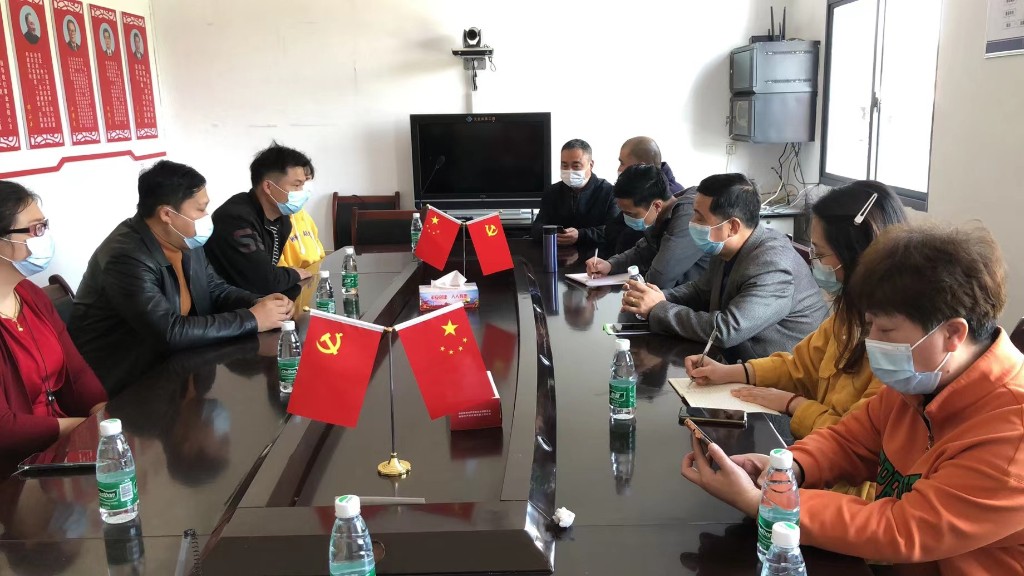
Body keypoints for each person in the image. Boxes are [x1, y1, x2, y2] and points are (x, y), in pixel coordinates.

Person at [680, 223, 1024, 573]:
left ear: (952, 333)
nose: (872, 341)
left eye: (886, 330)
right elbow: (849, 441)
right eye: (870, 325)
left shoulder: (1012, 436)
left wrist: (768, 504)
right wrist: (788, 469)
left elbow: (903, 528)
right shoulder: (919, 385)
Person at [684, 181, 907, 498]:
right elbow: (800, 365)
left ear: (856, 254)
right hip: (813, 464)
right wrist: (730, 372)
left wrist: (792, 404)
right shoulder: (849, 312)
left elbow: (858, 441)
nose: (813, 261)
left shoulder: (897, 345)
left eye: (820, 253)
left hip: (854, 493)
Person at [69, 160, 293, 394]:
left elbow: (216, 289)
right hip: (126, 385)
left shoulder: (184, 239)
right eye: (200, 209)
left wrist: (259, 303)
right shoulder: (126, 257)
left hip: (177, 367)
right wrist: (252, 319)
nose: (206, 216)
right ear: (167, 214)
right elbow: (169, 331)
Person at [621, 173, 827, 362]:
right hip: (735, 360)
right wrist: (657, 297)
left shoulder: (773, 265)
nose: (692, 222)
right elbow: (700, 290)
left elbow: (727, 330)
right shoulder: (726, 247)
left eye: (700, 217)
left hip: (779, 374)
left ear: (733, 227)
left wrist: (658, 308)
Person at [0, 181, 107, 476]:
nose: (44, 238)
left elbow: (77, 372)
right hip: (14, 470)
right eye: (35, 230)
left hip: (57, 449)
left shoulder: (31, 295)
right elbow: (3, 428)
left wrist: (102, 414)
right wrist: (77, 427)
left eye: (44, 227)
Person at [205, 143, 315, 300]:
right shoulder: (235, 218)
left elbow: (268, 277)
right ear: (268, 187)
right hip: (226, 305)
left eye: (302, 185)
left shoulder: (282, 220)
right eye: (296, 185)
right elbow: (265, 281)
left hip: (255, 300)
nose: (301, 192)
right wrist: (294, 273)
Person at [586, 164, 707, 289]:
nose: (625, 218)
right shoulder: (663, 215)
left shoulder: (687, 219)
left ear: (656, 206)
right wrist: (610, 265)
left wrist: (639, 289)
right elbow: (643, 252)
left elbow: (661, 276)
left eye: (630, 213)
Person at [604, 136, 687, 255]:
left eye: (622, 163)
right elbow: (613, 230)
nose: (619, 168)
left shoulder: (665, 198)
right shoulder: (631, 191)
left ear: (641, 166)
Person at [530, 139, 616, 250]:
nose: (569, 171)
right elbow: (536, 228)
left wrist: (580, 235)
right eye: (564, 165)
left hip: (597, 255)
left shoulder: (609, 192)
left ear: (591, 165)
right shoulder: (552, 192)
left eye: (576, 166)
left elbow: (614, 231)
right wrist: (553, 234)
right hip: (558, 254)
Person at [277, 169, 326, 269]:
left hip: (316, 273)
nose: (302, 189)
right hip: (294, 277)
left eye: (307, 181)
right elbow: (279, 268)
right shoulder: (275, 222)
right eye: (297, 184)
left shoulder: (304, 215)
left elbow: (320, 253)